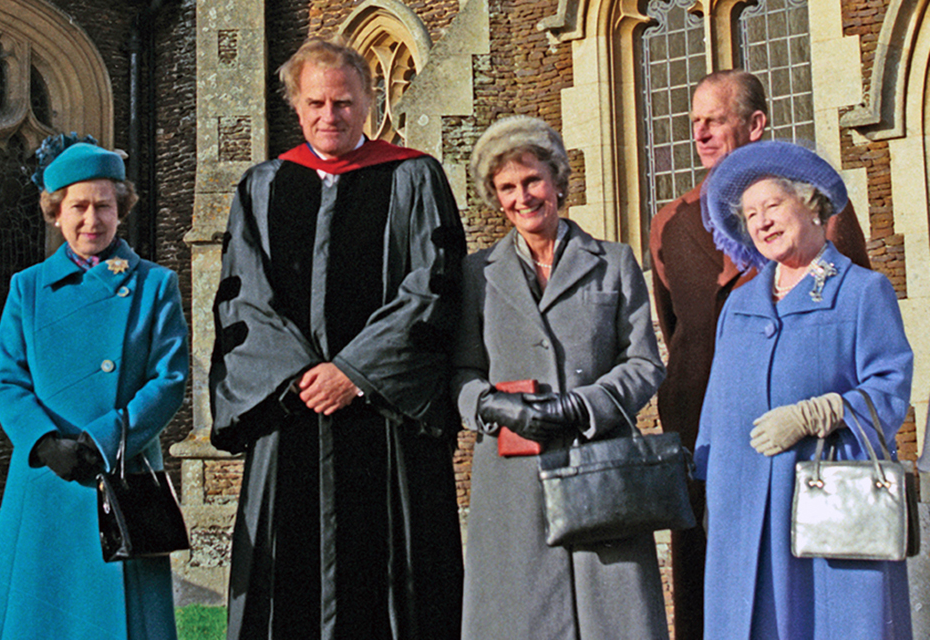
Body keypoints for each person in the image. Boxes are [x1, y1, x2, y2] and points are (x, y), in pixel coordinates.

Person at [208, 38, 465, 640]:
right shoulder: (263, 186)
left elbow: (434, 286)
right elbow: (242, 297)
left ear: (371, 100)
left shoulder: (414, 177)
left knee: (397, 580)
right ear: (295, 107)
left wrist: (354, 372)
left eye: (344, 102)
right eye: (317, 102)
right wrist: (298, 375)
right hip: (291, 412)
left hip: (384, 417)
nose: (331, 116)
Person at [648, 69, 871, 639]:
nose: (700, 134)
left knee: (802, 595)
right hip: (709, 441)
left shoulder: (818, 210)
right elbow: (678, 330)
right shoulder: (667, 227)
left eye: (715, 120)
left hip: (804, 443)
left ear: (755, 125)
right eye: (694, 122)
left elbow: (858, 314)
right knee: (711, 597)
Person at [452, 115, 668, 639]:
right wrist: (488, 406)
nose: (522, 197)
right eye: (507, 187)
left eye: (532, 181)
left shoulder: (614, 263)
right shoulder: (477, 275)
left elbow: (644, 363)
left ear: (557, 181)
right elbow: (458, 370)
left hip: (599, 471)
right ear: (494, 197)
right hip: (513, 483)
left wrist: (584, 405)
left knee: (615, 621)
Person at [696, 140, 913, 638]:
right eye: (751, 214)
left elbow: (890, 388)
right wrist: (713, 484)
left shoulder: (862, 291)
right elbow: (716, 404)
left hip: (826, 506)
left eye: (773, 206)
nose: (762, 222)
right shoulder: (740, 303)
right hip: (743, 505)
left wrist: (824, 411)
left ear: (811, 205)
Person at [0, 134, 188, 639]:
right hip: (47, 475)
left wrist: (107, 437)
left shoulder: (155, 285)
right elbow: (6, 378)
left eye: (104, 207)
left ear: (121, 211)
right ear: (55, 212)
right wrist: (44, 442)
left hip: (121, 472)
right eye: (78, 206)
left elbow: (170, 378)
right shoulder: (26, 288)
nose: (91, 220)